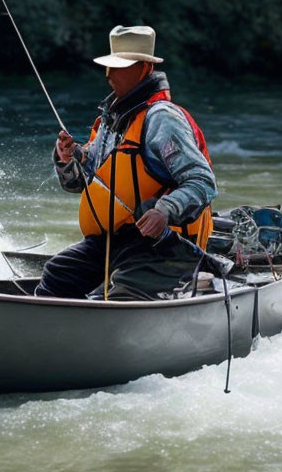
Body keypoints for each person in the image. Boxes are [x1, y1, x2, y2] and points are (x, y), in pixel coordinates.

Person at [35, 25, 217, 300]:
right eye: (109, 67)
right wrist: (68, 158)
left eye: (119, 67)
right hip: (115, 242)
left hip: (162, 246)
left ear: (143, 68)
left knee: (113, 297)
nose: (109, 75)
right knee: (57, 273)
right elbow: (79, 182)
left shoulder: (162, 119)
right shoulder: (113, 118)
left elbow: (203, 182)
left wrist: (164, 211)